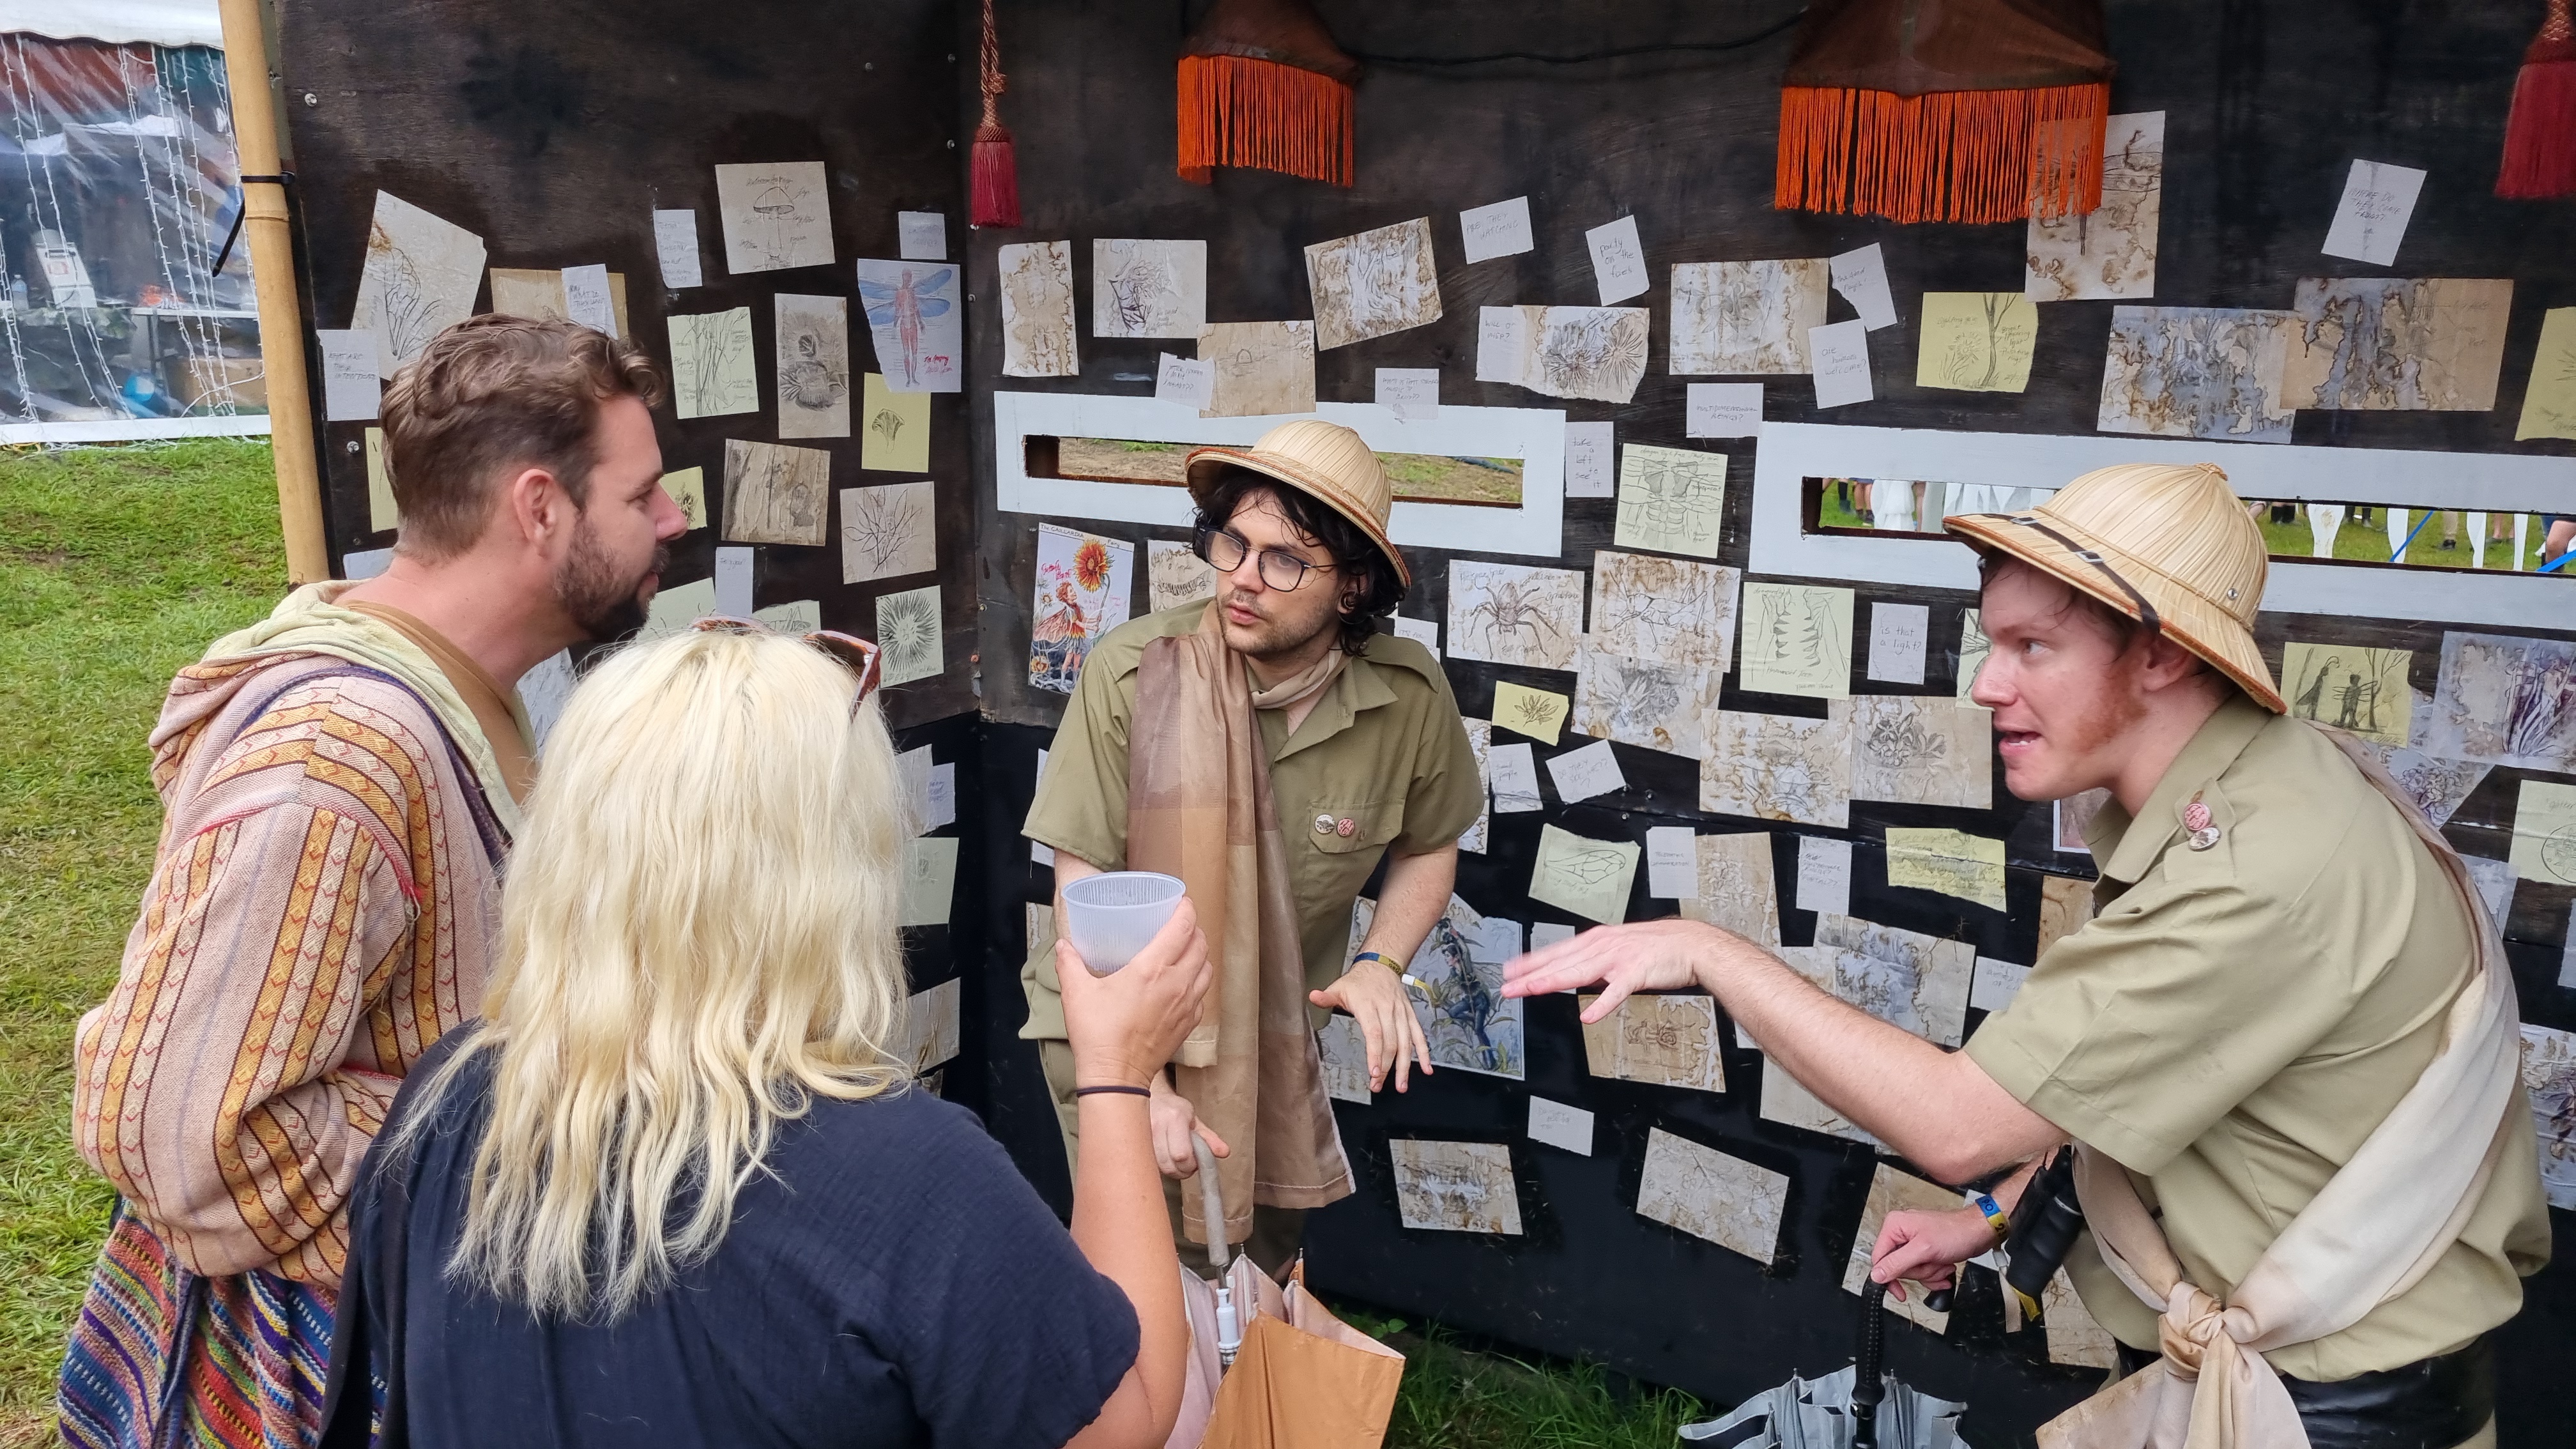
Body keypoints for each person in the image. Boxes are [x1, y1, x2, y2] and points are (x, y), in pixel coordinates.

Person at [1507, 463, 2549, 1449]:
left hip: (2315, 1415)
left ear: (2162, 653)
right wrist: (1996, 1212)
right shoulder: (2275, 791)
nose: (1987, 685)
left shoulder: (2254, 869)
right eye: (1989, 643)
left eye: (2033, 648)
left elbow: (1956, 1125)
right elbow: (2157, 1069)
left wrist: (1708, 950)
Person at [317, 625, 1207, 1448]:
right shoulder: (910, 1183)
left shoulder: (446, 1103)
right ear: (835, 876)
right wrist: (1119, 1075)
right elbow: (1117, 1418)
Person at [58, 316, 687, 1449]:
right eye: (642, 496)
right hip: (321, 1381)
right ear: (540, 509)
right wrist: (512, 1138)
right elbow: (186, 1137)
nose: (672, 520)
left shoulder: (473, 687)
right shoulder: (335, 759)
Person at [1020, 419, 1483, 1278]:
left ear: (1351, 587)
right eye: (1232, 542)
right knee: (1141, 1272)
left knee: (1256, 1265)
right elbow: (1081, 895)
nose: (1241, 577)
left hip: (1275, 1033)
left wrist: (1383, 962)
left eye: (1283, 560)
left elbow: (1431, 843)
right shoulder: (1133, 676)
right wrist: (1136, 1085)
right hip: (1112, 1017)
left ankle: (1244, 1406)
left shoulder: (1409, 697)